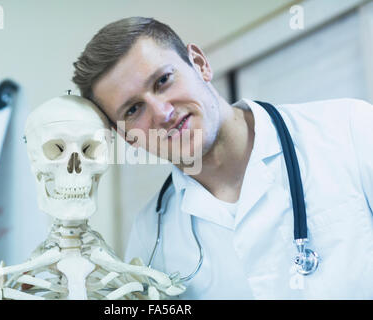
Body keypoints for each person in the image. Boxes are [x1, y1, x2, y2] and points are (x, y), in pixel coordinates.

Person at [72, 17, 373, 299]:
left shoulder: (351, 130)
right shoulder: (149, 236)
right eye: (133, 110)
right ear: (125, 134)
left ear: (200, 64)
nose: (162, 113)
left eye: (163, 80)